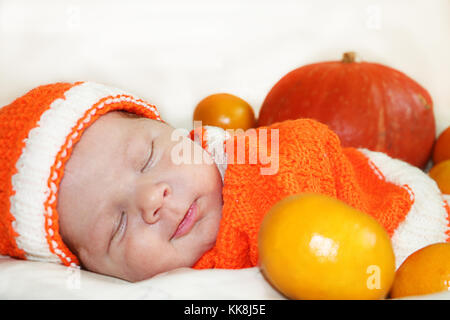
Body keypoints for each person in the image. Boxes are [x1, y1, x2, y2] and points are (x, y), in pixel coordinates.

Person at [0, 81, 448, 282]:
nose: (152, 198)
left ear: (176, 132)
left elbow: (311, 148)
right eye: (116, 225)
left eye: (150, 157)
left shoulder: (261, 160)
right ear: (91, 270)